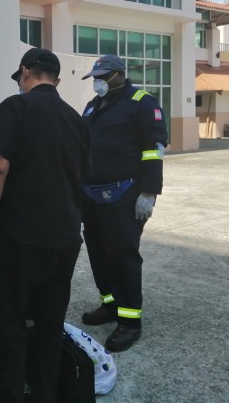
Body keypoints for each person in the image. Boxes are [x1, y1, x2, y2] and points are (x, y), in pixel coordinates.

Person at [0, 48, 90, 403]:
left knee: (9, 329)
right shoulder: (76, 120)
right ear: (55, 79)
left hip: (18, 241)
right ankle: (45, 395)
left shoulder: (16, 108)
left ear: (24, 73)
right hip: (66, 239)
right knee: (50, 325)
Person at [79, 54, 168, 352]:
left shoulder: (142, 102)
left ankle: (130, 320)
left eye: (103, 76)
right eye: (95, 77)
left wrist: (149, 192)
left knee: (123, 254)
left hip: (125, 193)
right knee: (98, 251)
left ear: (119, 74)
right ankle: (110, 304)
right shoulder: (93, 106)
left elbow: (153, 150)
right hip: (91, 193)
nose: (98, 82)